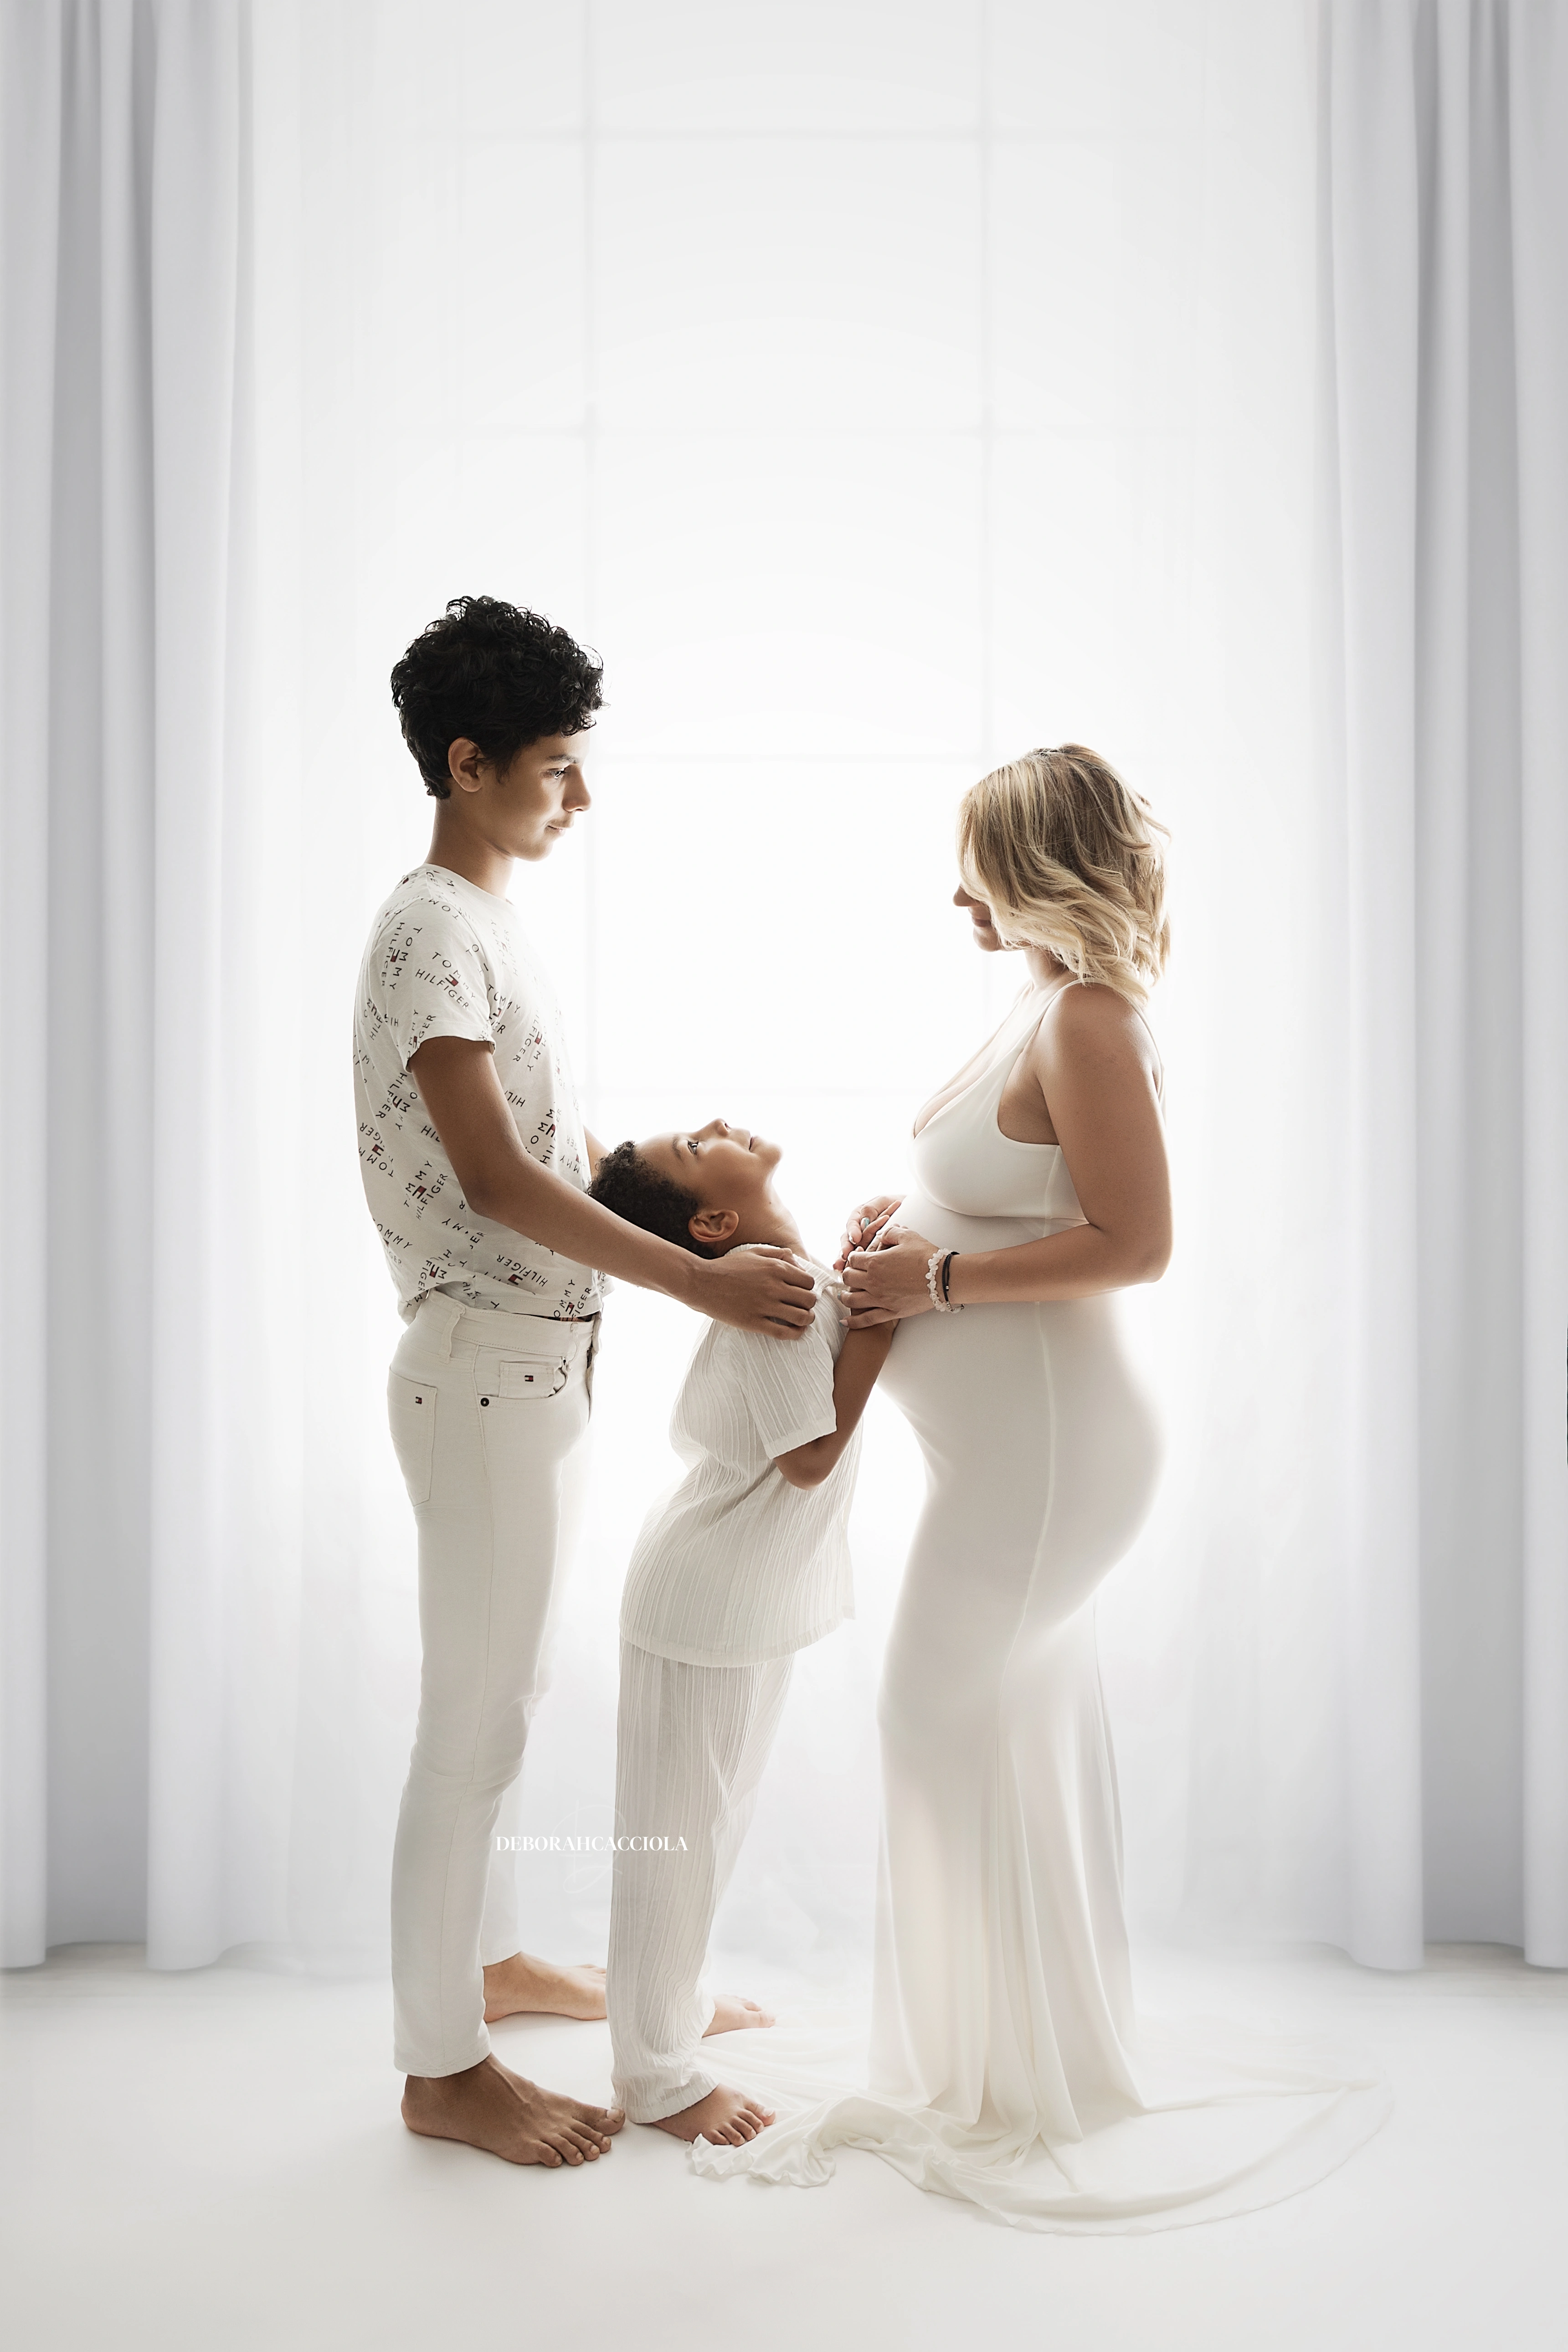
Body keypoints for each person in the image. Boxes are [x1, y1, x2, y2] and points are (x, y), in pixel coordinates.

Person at [690, 746, 1388, 2230]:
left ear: (1040, 872)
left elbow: (1137, 1243)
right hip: (1017, 1446)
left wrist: (931, 1271)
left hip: (1056, 1452)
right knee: (993, 1725)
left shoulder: (1087, 1016)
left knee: (935, 1717)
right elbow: (1022, 1190)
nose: (955, 895)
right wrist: (912, 1219)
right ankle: (1008, 2060)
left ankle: (994, 2084)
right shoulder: (1042, 1001)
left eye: (976, 870)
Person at [352, 596, 817, 2170]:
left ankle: (488, 1971)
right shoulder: (429, 924)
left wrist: (646, 1174)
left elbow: (533, 1156)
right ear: (469, 764)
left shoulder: (483, 922)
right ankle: (440, 2066)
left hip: (524, 1367)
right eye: (555, 767)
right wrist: (699, 1278)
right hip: (485, 1369)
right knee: (469, 1726)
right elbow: (486, 1179)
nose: (580, 796)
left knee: (505, 1703)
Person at [588, 1122, 895, 2147]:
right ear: (715, 1219)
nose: (716, 1125)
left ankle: (669, 2010)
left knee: (711, 1825)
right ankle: (654, 2073)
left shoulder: (785, 1276)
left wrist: (861, 1266)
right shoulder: (774, 1288)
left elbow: (821, 1360)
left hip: (739, 1597)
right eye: (693, 1145)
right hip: (704, 1603)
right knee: (672, 1844)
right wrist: (883, 1329)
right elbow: (807, 1457)